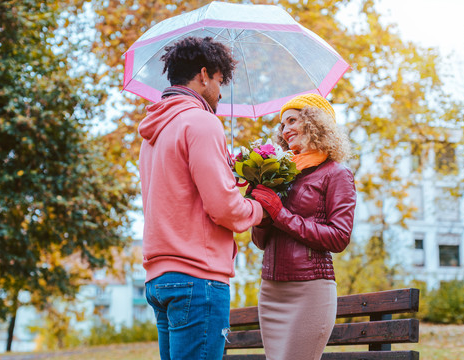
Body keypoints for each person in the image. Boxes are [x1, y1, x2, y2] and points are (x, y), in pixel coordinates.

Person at [138, 36, 263, 360]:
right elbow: (224, 209)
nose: (221, 92)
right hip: (198, 277)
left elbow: (179, 197)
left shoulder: (154, 131)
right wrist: (260, 207)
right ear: (204, 75)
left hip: (160, 278)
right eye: (221, 81)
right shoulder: (202, 122)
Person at [250, 93, 357, 360]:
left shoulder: (336, 173)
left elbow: (339, 237)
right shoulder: (280, 174)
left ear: (315, 123)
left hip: (310, 289)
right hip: (271, 290)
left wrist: (280, 214)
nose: (285, 130)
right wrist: (261, 212)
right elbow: (261, 241)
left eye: (292, 121)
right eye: (282, 125)